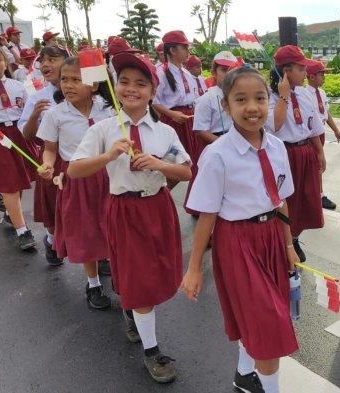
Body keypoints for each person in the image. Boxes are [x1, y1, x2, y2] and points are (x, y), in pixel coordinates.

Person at [68, 51, 191, 383]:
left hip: (158, 207)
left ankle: (130, 305)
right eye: (123, 81)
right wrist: (109, 154)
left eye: (140, 83)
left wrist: (159, 164)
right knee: (140, 279)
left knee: (157, 272)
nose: (131, 88)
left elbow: (187, 170)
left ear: (152, 91)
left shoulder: (164, 132)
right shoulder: (104, 128)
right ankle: (152, 351)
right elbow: (75, 169)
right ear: (115, 87)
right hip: (124, 209)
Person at [182, 66, 299, 393]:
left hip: (271, 237)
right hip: (237, 244)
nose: (252, 107)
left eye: (260, 98)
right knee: (269, 328)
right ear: (225, 106)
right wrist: (194, 269)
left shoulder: (277, 148)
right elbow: (206, 216)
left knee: (258, 318)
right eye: (241, 99)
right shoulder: (217, 154)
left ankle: (245, 375)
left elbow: (282, 201)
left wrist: (289, 246)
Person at [36, 56, 115, 309]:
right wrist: (48, 163)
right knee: (86, 231)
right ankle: (93, 283)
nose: (68, 85)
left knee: (110, 225)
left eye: (76, 80)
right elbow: (50, 148)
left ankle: (109, 262)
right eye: (64, 80)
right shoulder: (55, 114)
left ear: (93, 85)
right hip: (77, 179)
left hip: (109, 176)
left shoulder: (109, 108)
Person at [268, 45, 325, 262]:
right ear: (285, 71)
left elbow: (314, 126)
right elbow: (275, 124)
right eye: (300, 68)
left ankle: (294, 236)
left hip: (305, 151)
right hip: (284, 153)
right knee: (286, 199)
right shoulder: (270, 96)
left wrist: (319, 152)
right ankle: (282, 241)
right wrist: (283, 97)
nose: (305, 73)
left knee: (304, 199)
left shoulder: (304, 94)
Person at [19, 45, 71, 266]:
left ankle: (99, 254)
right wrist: (34, 116)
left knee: (89, 205)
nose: (46, 64)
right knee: (53, 205)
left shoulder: (87, 91)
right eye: (43, 60)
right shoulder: (38, 97)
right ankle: (51, 240)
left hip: (82, 156)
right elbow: (27, 135)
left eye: (53, 59)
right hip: (52, 158)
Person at [0, 42, 36, 250]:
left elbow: (29, 111)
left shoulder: (18, 86)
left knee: (20, 179)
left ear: (4, 61)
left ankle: (11, 214)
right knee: (9, 183)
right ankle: (22, 231)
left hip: (18, 134)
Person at [184, 51, 240, 216]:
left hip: (234, 141)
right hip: (212, 143)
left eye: (232, 70)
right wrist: (222, 142)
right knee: (209, 182)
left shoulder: (238, 96)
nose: (229, 74)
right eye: (224, 70)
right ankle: (204, 215)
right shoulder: (206, 99)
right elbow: (200, 130)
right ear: (214, 72)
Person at [152, 30, 201, 175]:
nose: (188, 51)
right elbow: (154, 100)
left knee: (192, 160)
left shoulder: (187, 73)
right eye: (184, 48)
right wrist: (170, 113)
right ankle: (163, 191)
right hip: (173, 121)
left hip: (189, 119)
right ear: (172, 50)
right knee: (175, 163)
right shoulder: (161, 73)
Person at [305, 59, 340, 210]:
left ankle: (317, 194)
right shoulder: (304, 94)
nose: (324, 77)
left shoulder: (321, 93)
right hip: (310, 135)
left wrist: (336, 130)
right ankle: (317, 196)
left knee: (317, 165)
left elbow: (325, 113)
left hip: (320, 132)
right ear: (311, 76)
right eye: (321, 74)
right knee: (315, 165)